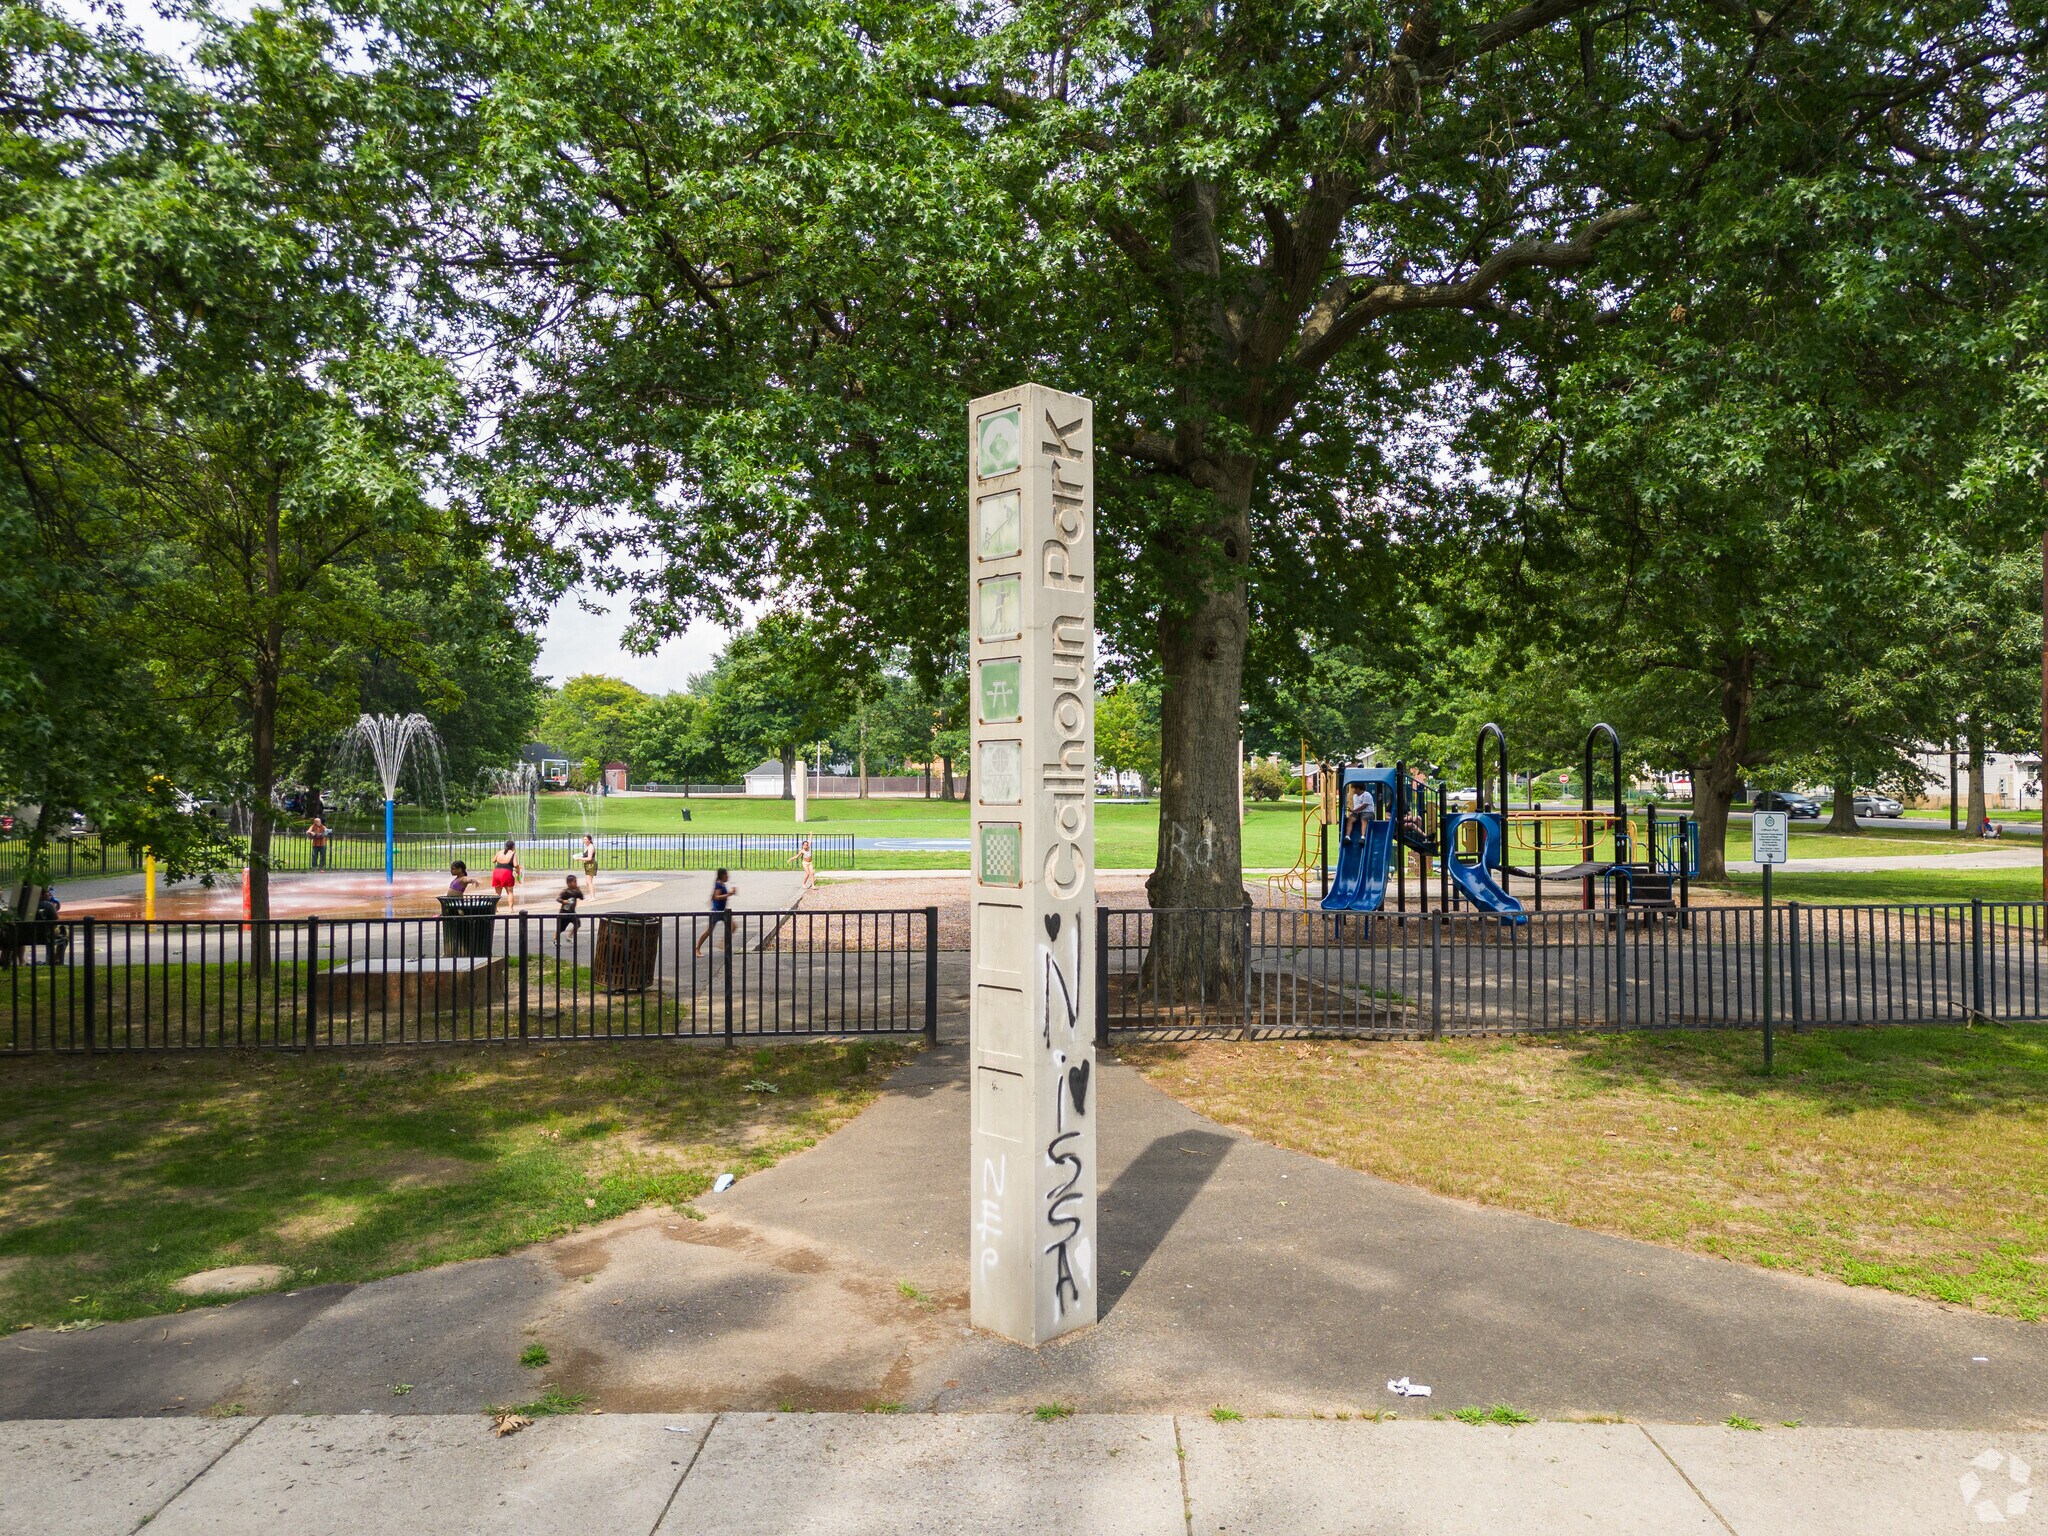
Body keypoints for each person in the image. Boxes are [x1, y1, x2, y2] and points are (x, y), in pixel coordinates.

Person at [694, 867, 736, 955]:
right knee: (709, 931)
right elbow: (717, 897)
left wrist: (730, 893)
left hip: (723, 911)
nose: (728, 877)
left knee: (733, 926)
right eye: (726, 875)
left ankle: (723, 943)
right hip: (717, 912)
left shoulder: (722, 884)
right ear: (722, 875)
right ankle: (697, 947)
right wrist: (730, 894)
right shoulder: (718, 884)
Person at [491, 840, 522, 907]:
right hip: (506, 873)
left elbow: (493, 860)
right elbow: (515, 865)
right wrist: (518, 869)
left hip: (497, 872)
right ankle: (511, 909)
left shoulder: (499, 852)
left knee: (497, 893)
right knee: (510, 892)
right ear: (513, 846)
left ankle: (495, 908)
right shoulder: (513, 854)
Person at [555, 874, 585, 940]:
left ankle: (569, 935)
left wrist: (579, 890)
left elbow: (582, 898)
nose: (576, 883)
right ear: (568, 883)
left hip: (572, 912)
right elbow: (558, 899)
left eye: (576, 882)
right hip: (564, 912)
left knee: (577, 924)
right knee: (561, 928)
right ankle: (555, 939)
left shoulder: (576, 891)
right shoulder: (565, 891)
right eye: (574, 882)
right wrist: (563, 901)